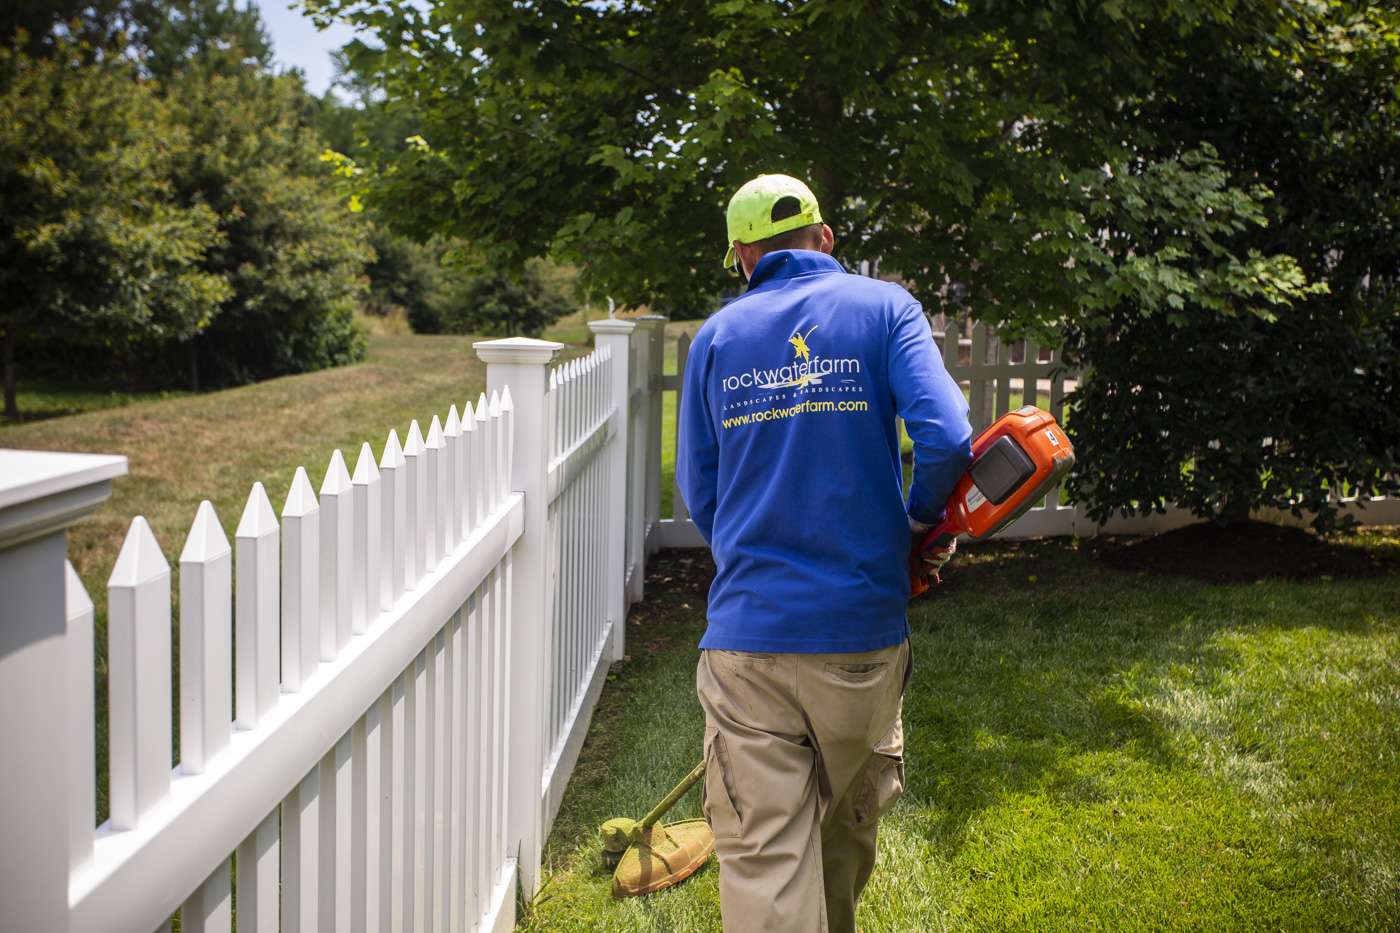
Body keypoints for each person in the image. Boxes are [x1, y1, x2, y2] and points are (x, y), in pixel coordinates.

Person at [676, 173, 974, 933]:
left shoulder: (716, 338)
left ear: (743, 256)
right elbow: (945, 436)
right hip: (861, 635)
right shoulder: (885, 308)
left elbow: (700, 492)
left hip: (748, 640)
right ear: (826, 238)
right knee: (843, 834)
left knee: (766, 861)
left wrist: (754, 558)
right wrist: (912, 526)